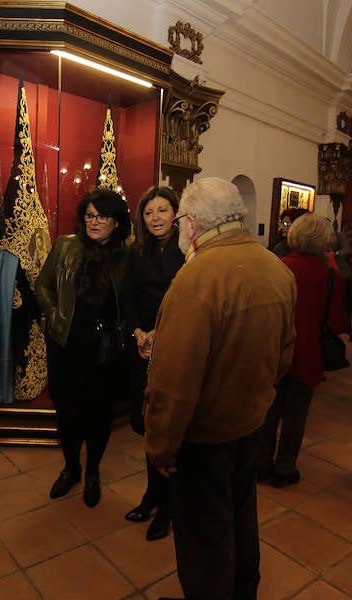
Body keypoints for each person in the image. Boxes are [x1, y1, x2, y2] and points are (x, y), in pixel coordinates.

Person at [144, 178, 296, 599]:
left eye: (178, 223)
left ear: (191, 223)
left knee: (204, 535)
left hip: (203, 434)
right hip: (250, 423)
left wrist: (160, 446)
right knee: (241, 514)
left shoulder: (195, 280)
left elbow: (173, 383)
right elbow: (284, 356)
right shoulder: (275, 267)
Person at [35, 189, 131, 508]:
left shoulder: (126, 255)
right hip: (66, 346)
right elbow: (43, 285)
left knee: (99, 415)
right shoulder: (65, 246)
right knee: (68, 413)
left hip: (105, 352)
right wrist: (53, 315)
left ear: (116, 222)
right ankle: (71, 468)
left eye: (102, 216)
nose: (93, 222)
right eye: (89, 215)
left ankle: (92, 473)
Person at [257, 214, 347, 488]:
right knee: (296, 414)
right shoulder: (332, 278)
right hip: (308, 354)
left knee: (268, 409)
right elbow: (338, 323)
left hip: (273, 350)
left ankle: (260, 463)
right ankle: (285, 468)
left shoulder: (274, 267)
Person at [121, 186, 185, 540]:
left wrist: (159, 333)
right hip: (142, 345)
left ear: (175, 213)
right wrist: (138, 333)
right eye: (149, 212)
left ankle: (168, 507)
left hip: (173, 344)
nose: (156, 218)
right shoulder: (137, 250)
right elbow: (128, 294)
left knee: (167, 429)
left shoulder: (187, 252)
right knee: (147, 426)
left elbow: (187, 302)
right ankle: (150, 496)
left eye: (162, 210)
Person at [331, 223, 352, 343]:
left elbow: (347, 249)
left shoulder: (338, 236)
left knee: (346, 303)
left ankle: (349, 328)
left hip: (342, 273)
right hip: (327, 272)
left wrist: (336, 254)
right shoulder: (317, 237)